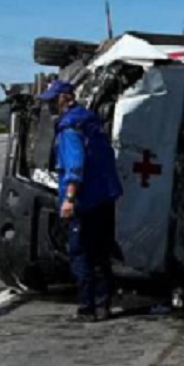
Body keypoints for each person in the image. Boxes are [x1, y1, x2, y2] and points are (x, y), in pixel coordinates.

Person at [41, 79, 123, 321]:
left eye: (52, 100)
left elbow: (75, 165)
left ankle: (87, 308)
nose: (50, 106)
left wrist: (69, 199)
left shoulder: (69, 128)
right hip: (105, 196)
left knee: (81, 255)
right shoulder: (90, 121)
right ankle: (103, 305)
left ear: (65, 98)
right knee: (101, 254)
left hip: (84, 201)